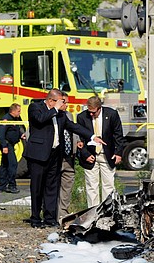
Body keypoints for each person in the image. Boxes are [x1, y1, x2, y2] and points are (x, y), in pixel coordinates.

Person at [23, 89, 103, 228]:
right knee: (37, 188)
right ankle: (35, 218)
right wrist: (54, 109)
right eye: (62, 101)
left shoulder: (60, 114)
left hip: (54, 155)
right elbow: (40, 120)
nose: (64, 104)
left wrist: (92, 136)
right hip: (38, 155)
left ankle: (50, 218)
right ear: (51, 100)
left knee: (52, 187)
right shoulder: (36, 107)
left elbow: (73, 126)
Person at [77, 96, 125, 207]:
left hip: (107, 155)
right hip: (90, 156)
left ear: (99, 108)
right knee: (91, 187)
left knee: (108, 186)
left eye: (93, 112)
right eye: (89, 112)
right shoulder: (82, 117)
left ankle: (107, 212)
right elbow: (80, 139)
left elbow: (118, 135)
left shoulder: (112, 114)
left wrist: (118, 153)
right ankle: (93, 213)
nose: (91, 115)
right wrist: (85, 154)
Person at [58, 94, 78, 222]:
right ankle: (50, 213)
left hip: (69, 156)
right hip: (56, 157)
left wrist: (77, 142)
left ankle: (63, 213)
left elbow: (73, 130)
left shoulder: (69, 115)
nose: (67, 106)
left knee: (67, 186)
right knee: (52, 187)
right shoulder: (49, 114)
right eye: (65, 103)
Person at [0, 103, 23, 194]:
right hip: (7, 145)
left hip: (11, 144)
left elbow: (15, 130)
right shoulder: (6, 119)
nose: (20, 113)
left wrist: (21, 135)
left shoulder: (15, 119)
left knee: (5, 165)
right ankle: (12, 185)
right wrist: (4, 146)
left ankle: (1, 186)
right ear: (13, 111)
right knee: (13, 164)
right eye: (18, 111)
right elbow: (1, 134)